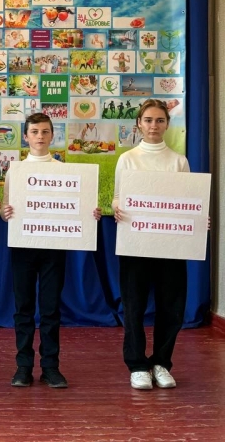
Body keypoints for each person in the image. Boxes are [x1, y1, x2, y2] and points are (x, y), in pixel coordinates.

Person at [1, 113, 101, 388]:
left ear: (52, 135)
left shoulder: (62, 170)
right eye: (34, 131)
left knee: (50, 309)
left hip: (54, 247)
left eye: (45, 131)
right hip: (23, 246)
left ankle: (50, 367)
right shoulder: (15, 171)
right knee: (23, 309)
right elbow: (5, 209)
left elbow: (74, 207)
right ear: (26, 136)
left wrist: (89, 212)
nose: (40, 136)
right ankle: (23, 366)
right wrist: (5, 213)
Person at [112, 99, 203, 390]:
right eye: (148, 120)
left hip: (171, 245)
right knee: (134, 306)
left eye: (160, 120)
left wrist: (198, 220)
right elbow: (118, 197)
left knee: (171, 307)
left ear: (167, 124)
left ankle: (162, 363)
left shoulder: (179, 161)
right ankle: (138, 365)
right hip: (136, 244)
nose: (154, 126)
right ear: (139, 124)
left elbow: (188, 201)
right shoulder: (128, 159)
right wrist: (117, 208)